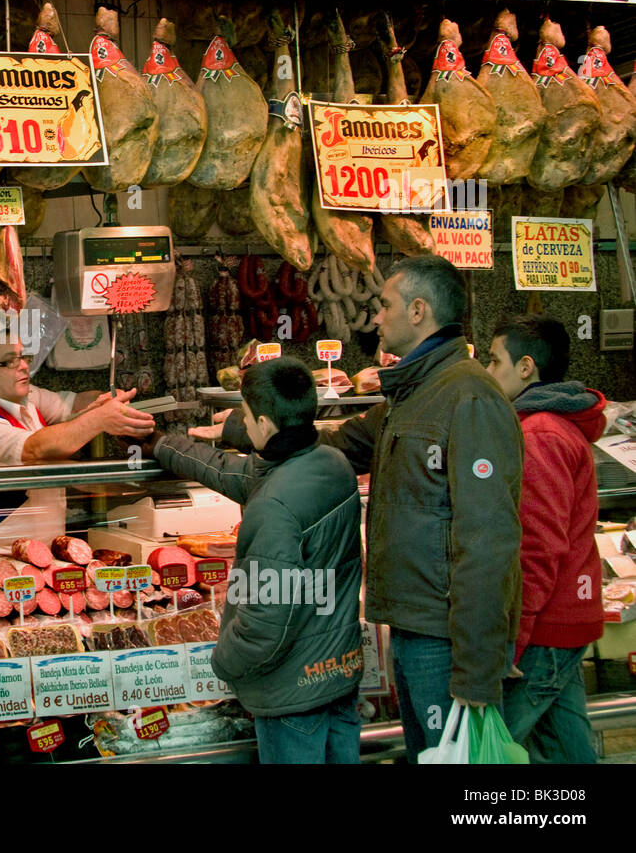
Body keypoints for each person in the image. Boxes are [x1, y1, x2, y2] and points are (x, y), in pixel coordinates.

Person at [196, 254, 524, 762]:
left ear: (418, 312)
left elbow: (488, 538)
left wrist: (478, 667)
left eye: (385, 305)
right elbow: (337, 439)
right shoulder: (415, 393)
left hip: (446, 638)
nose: (374, 316)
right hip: (419, 628)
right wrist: (245, 426)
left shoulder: (467, 397)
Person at [151, 358, 364, 763]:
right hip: (337, 674)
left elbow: (264, 623)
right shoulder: (330, 463)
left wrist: (220, 662)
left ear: (264, 424)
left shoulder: (273, 507)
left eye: (245, 417)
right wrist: (164, 445)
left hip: (292, 695)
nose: (243, 427)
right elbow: (239, 472)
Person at [485, 314, 605, 763]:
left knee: (493, 748)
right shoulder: (551, 425)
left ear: (526, 367)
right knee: (568, 748)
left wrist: (513, 638)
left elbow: (537, 546)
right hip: (566, 618)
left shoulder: (539, 434)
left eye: (495, 361)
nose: (488, 371)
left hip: (544, 628)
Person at [0, 338, 154, 466]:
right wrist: (98, 419)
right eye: (9, 362)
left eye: (23, 357)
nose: (24, 366)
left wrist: (103, 400)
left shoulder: (25, 394)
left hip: (48, 527)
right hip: (3, 529)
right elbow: (35, 449)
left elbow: (74, 403)